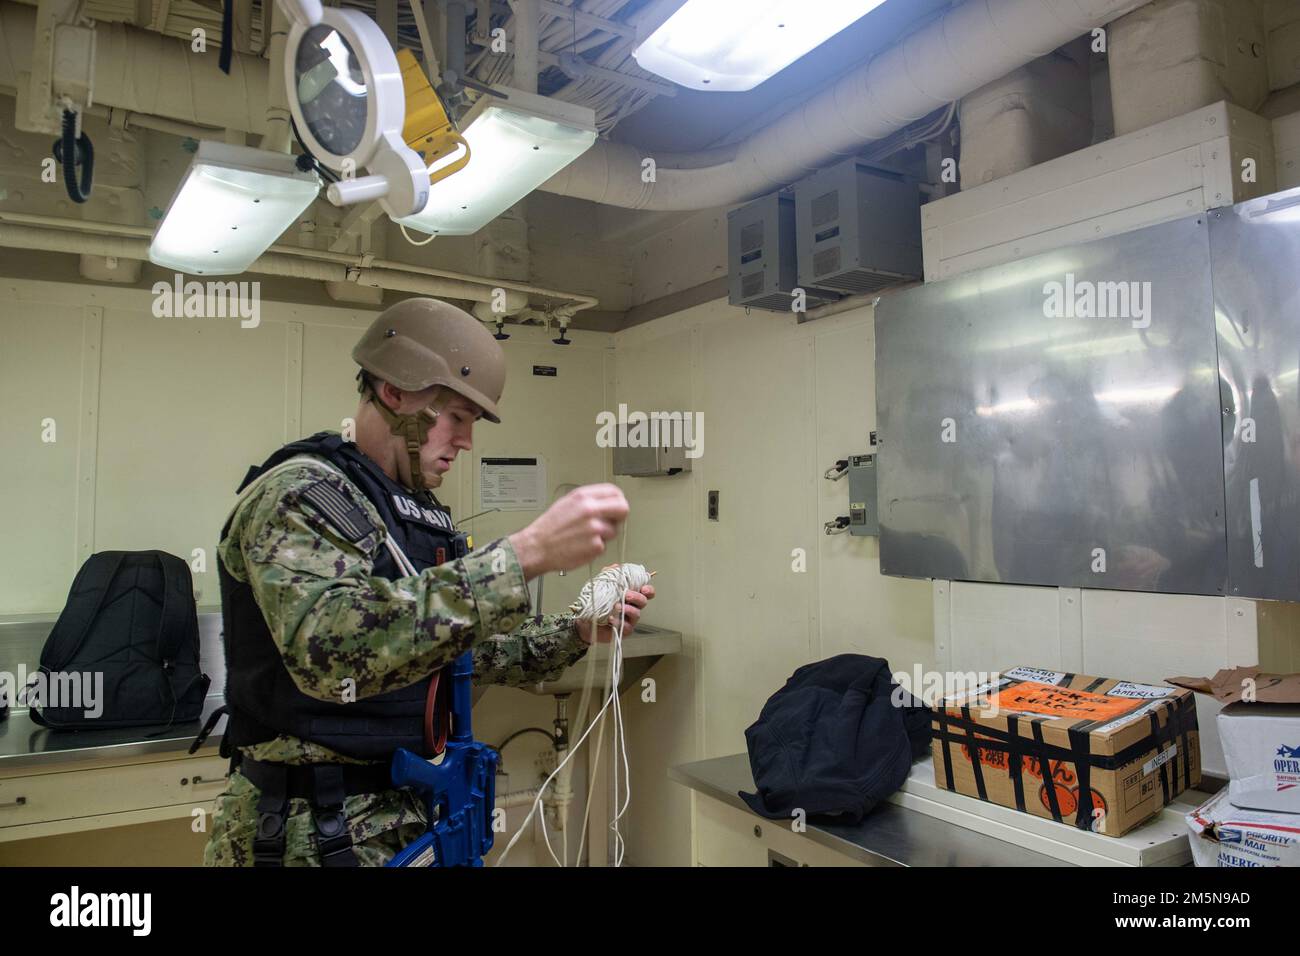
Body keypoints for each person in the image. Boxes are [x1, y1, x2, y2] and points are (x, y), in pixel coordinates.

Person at [200, 297, 654, 866]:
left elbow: (453, 654)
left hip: (399, 820)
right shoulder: (302, 495)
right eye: (457, 417)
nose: (466, 441)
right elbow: (332, 651)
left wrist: (580, 632)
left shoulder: (407, 512)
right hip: (309, 834)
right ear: (396, 393)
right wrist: (522, 557)